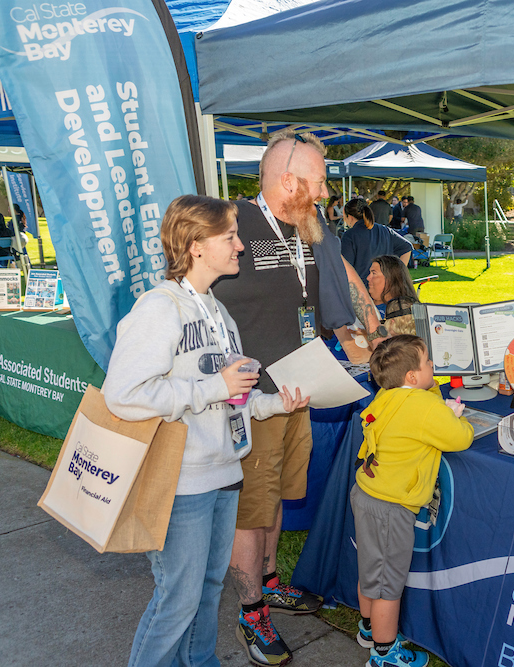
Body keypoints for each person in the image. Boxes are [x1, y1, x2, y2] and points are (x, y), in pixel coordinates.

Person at [102, 195, 309, 667]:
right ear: (196, 246)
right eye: (230, 237)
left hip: (224, 473)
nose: (241, 245)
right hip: (182, 481)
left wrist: (277, 403)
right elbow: (124, 393)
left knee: (208, 591)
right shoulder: (160, 308)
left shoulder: (219, 313)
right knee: (177, 601)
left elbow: (232, 399)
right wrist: (211, 386)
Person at [212, 130, 365, 667]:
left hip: (298, 390)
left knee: (276, 494)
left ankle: (270, 581)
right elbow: (188, 296)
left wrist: (363, 329)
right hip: (250, 401)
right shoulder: (228, 225)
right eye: (319, 181)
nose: (324, 193)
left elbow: (325, 285)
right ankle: (251, 610)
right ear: (288, 181)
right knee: (250, 511)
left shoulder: (305, 226)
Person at [352, 335, 474, 667]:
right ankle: (384, 652)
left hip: (366, 494)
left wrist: (429, 387)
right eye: (427, 363)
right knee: (389, 584)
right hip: (392, 506)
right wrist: (457, 416)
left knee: (370, 570)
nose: (433, 366)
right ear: (412, 376)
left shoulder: (386, 395)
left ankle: (368, 629)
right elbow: (460, 437)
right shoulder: (424, 407)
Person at [340, 198, 413, 285]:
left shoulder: (349, 235)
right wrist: (397, 277)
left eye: (345, 217)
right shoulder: (385, 230)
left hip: (362, 290)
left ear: (350, 217)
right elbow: (407, 247)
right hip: (383, 288)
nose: (344, 220)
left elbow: (345, 269)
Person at [367, 254, 419, 337]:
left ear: (390, 278)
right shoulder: (362, 303)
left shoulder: (404, 311)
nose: (368, 278)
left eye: (374, 273)